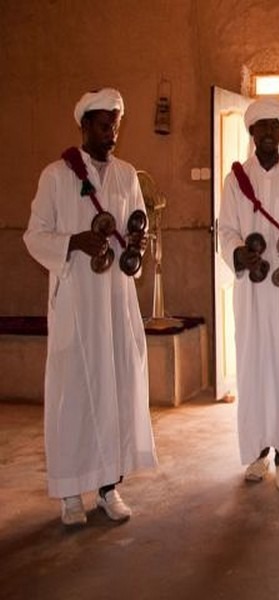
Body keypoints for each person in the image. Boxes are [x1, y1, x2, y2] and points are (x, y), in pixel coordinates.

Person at [23, 88, 157, 526]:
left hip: (115, 302)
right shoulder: (56, 176)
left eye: (116, 124)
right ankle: (68, 493)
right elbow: (34, 235)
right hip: (78, 304)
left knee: (114, 389)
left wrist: (136, 241)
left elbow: (136, 226)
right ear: (84, 126)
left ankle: (108, 487)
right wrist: (74, 243)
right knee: (73, 395)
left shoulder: (124, 175)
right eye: (104, 124)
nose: (111, 132)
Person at [218, 98, 279, 491]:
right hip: (251, 293)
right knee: (254, 367)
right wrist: (239, 252)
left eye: (274, 126)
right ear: (251, 133)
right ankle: (258, 453)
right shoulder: (236, 180)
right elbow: (225, 230)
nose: (268, 133)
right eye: (261, 127)